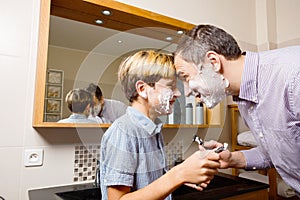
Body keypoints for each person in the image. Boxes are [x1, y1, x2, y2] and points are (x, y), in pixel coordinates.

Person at [174, 24, 300, 196]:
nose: (187, 91)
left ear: (213, 62)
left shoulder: (294, 76)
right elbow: (276, 151)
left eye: (186, 77)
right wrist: (232, 159)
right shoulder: (242, 96)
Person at [100, 50, 221, 200]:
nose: (178, 94)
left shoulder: (153, 130)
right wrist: (178, 174)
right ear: (143, 89)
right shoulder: (124, 132)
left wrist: (185, 175)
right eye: (171, 86)